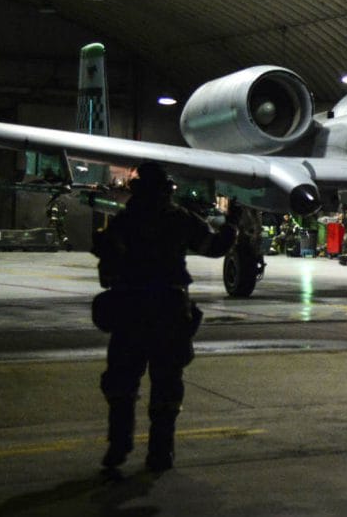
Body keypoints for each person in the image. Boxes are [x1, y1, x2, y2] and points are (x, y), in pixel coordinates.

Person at [91, 162, 237, 471]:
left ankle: (119, 446)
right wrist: (233, 224)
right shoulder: (179, 220)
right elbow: (212, 247)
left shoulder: (124, 222)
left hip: (131, 309)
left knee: (121, 385)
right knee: (166, 385)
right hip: (168, 311)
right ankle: (160, 452)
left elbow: (107, 267)